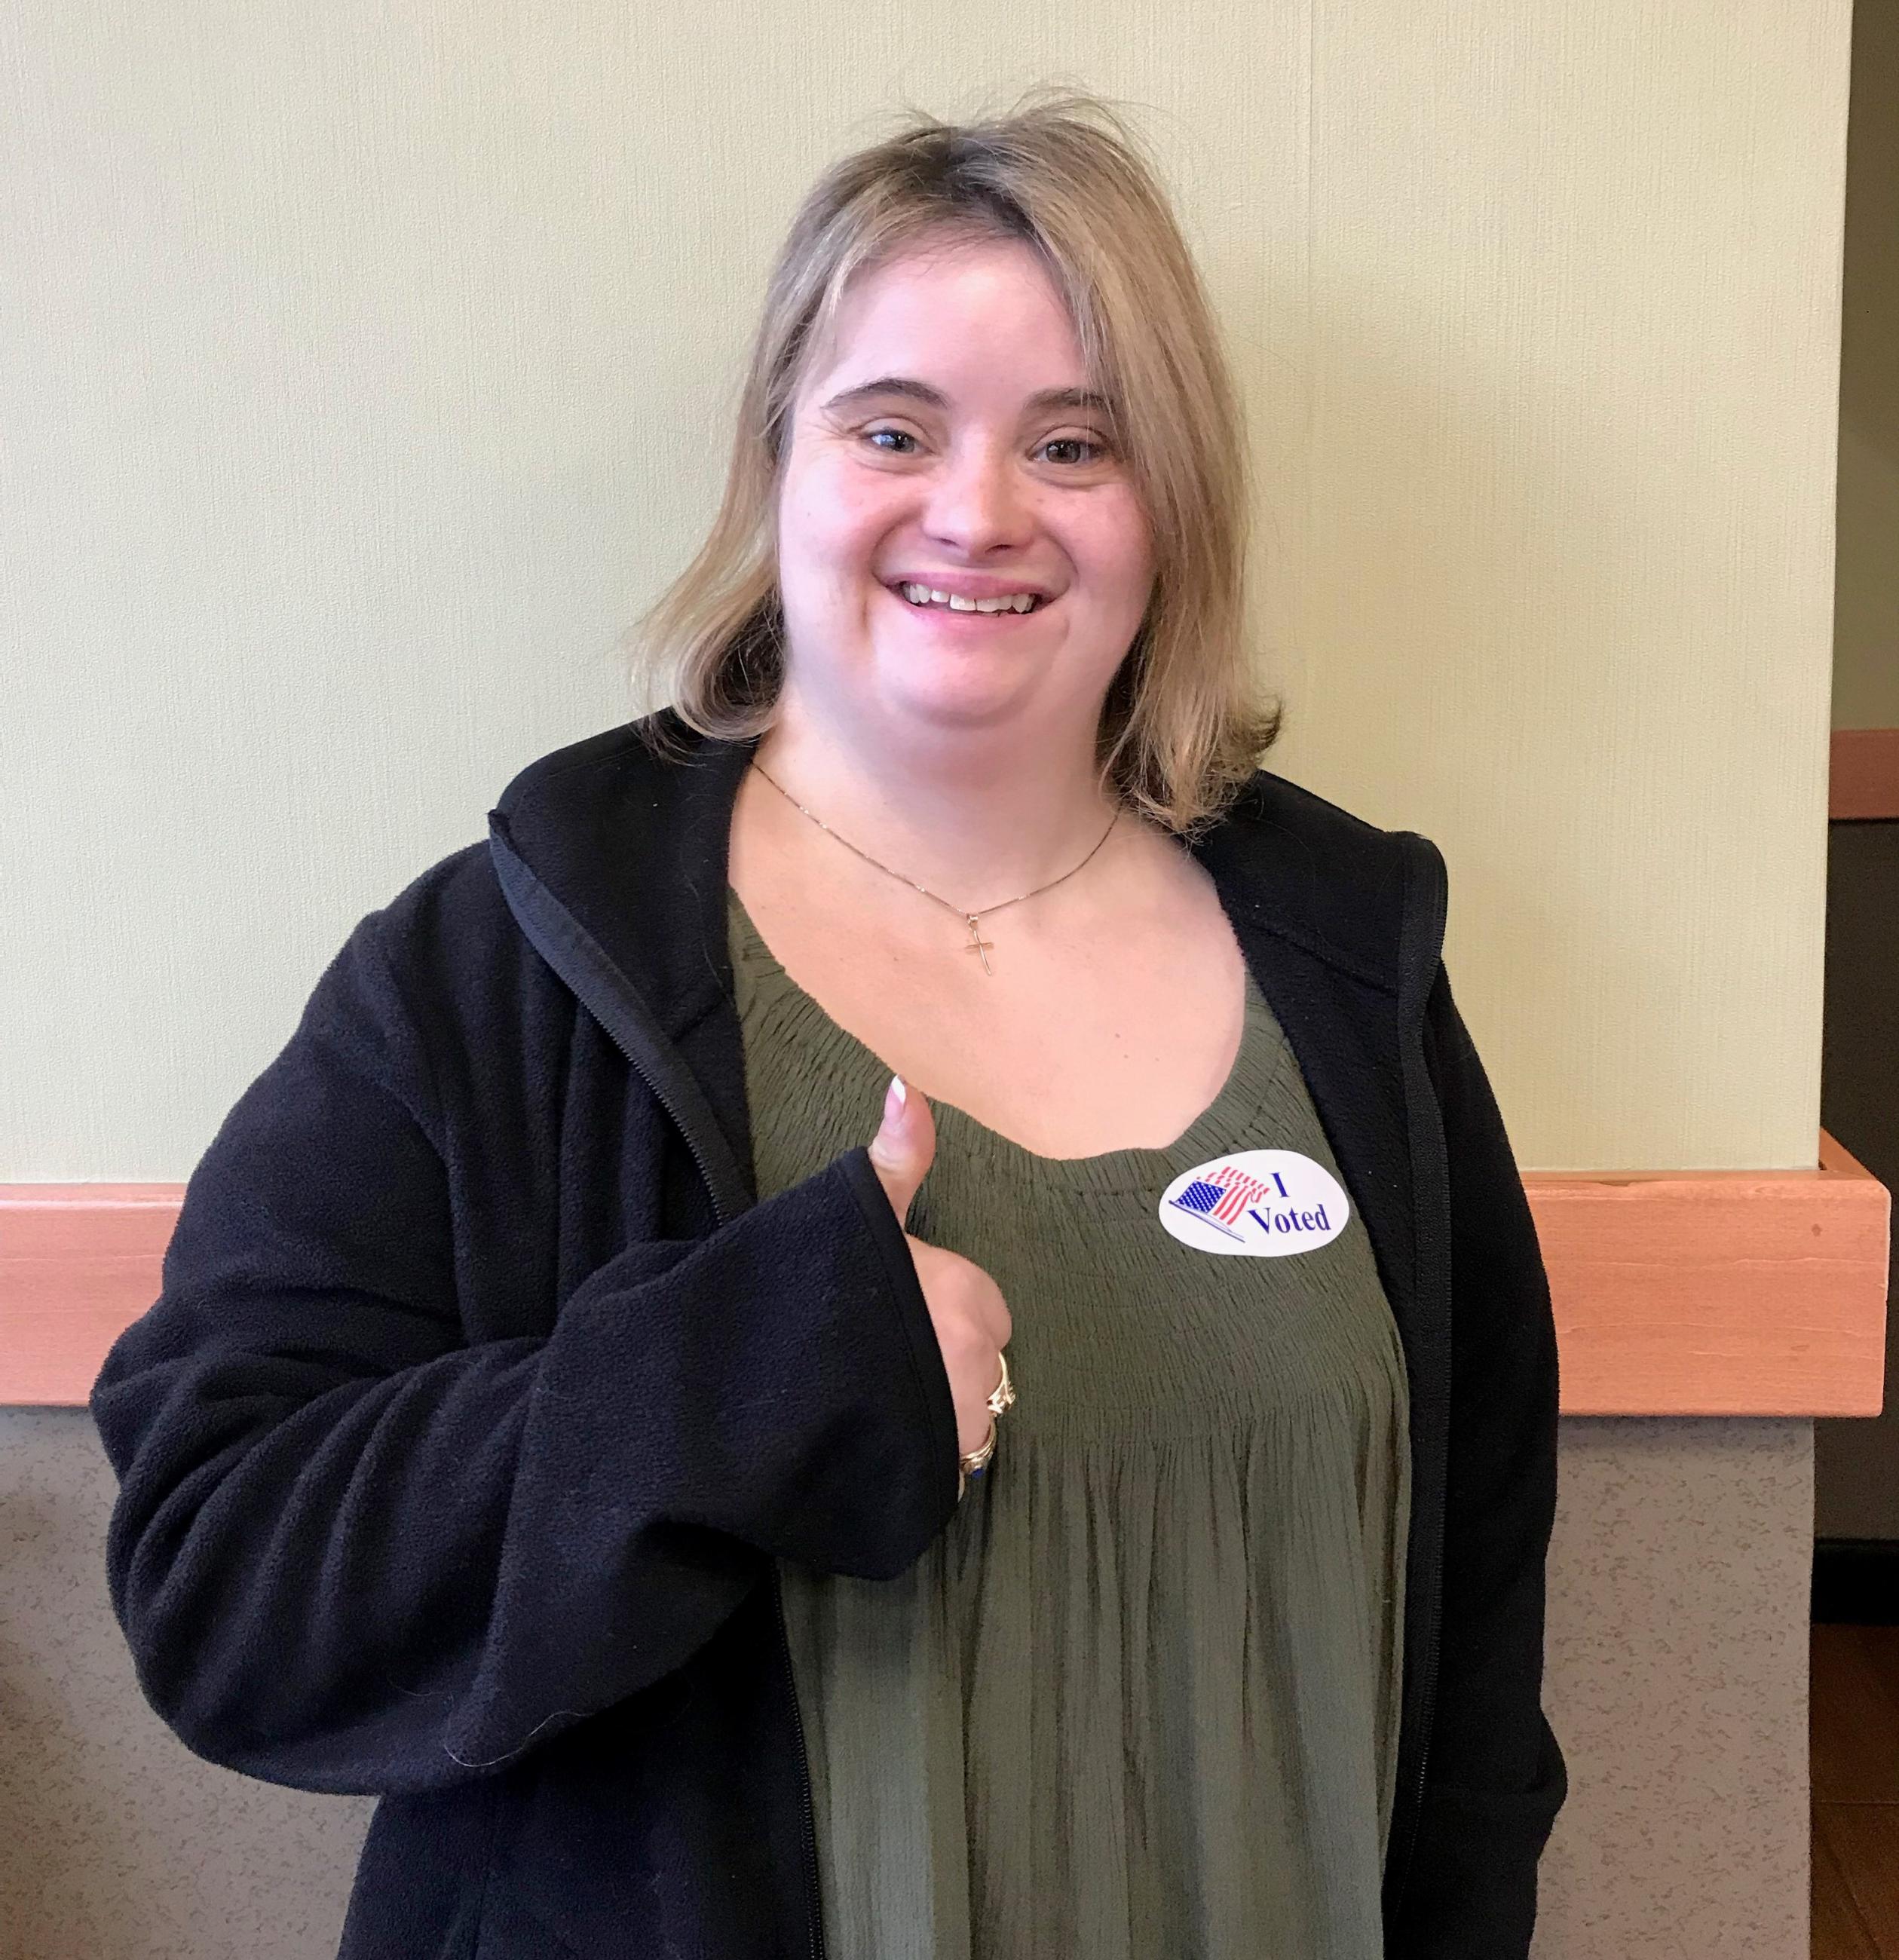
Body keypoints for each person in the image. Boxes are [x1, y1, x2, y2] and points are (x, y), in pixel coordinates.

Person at [91, 87, 1567, 1960]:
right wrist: (724, 1384)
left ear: (1168, 500)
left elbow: (1475, 1665)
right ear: (778, 461)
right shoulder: (504, 970)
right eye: (894, 427)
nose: (980, 508)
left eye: (1076, 442)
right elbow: (225, 1573)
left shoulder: (1356, 977)